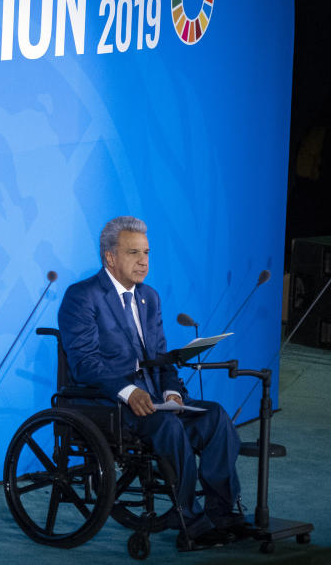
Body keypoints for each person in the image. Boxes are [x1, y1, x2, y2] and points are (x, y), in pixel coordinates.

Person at [57, 216, 251, 550]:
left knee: (215, 416)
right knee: (167, 427)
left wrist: (172, 391)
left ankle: (222, 512)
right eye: (134, 252)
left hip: (154, 400)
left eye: (146, 252)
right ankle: (190, 520)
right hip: (106, 402)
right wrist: (130, 392)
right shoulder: (83, 296)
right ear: (110, 258)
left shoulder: (149, 297)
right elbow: (85, 363)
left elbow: (161, 357)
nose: (144, 261)